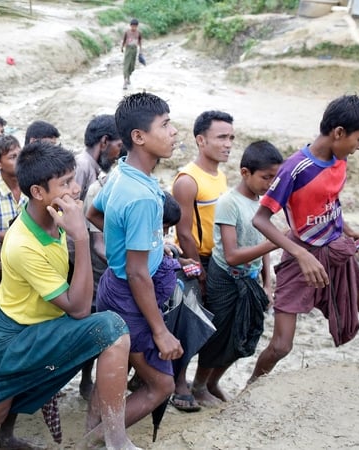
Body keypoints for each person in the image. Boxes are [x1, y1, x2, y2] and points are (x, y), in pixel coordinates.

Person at [0, 141, 136, 450]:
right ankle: (116, 440)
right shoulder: (24, 244)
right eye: (65, 183)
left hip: (32, 324)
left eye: (74, 179)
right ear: (38, 193)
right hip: (16, 337)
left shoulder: (48, 214)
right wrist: (81, 237)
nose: (76, 189)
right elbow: (80, 309)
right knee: (111, 328)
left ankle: (11, 439)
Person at [86, 92, 183, 439]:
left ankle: (93, 426)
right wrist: (160, 330)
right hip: (133, 293)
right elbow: (139, 272)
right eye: (165, 124)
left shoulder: (123, 172)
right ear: (139, 137)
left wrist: (132, 247)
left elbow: (94, 212)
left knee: (116, 359)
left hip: (115, 283)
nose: (173, 132)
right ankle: (99, 438)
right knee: (162, 384)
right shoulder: (142, 196)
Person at [249, 95, 359, 382]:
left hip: (335, 248)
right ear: (339, 133)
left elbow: (330, 198)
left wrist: (346, 229)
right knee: (281, 345)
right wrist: (301, 254)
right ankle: (251, 390)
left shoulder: (340, 159)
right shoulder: (295, 169)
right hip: (302, 256)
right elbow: (260, 219)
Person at [191, 141, 282, 406]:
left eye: (275, 178)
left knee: (243, 338)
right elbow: (231, 255)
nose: (270, 184)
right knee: (219, 337)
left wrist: (268, 281)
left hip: (251, 280)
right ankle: (198, 386)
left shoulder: (264, 203)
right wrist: (275, 241)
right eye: (266, 177)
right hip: (226, 280)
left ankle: (212, 382)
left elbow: (263, 244)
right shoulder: (229, 203)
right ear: (245, 172)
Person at [170, 110, 233, 411]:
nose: (228, 143)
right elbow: (183, 231)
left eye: (231, 137)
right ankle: (179, 384)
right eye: (222, 137)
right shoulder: (187, 180)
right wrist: (198, 271)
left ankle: (201, 383)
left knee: (215, 325)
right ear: (200, 140)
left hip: (217, 259)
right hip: (193, 261)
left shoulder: (220, 176)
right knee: (189, 322)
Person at [72, 114, 124, 400]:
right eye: (117, 145)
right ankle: (84, 382)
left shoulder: (99, 171)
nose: (119, 152)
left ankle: (87, 381)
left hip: (93, 259)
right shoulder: (82, 169)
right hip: (83, 261)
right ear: (104, 142)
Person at [0, 134, 26, 240]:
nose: (20, 160)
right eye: (13, 157)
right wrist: (18, 236)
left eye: (20, 155)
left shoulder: (33, 186)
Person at [121, 19, 142, 90]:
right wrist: (122, 47)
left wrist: (141, 50)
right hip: (128, 49)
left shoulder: (138, 33)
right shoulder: (127, 32)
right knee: (126, 64)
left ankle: (128, 77)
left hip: (134, 50)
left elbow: (140, 41)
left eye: (135, 26)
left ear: (137, 26)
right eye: (132, 26)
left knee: (132, 66)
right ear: (130, 26)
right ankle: (125, 81)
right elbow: (124, 40)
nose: (134, 27)